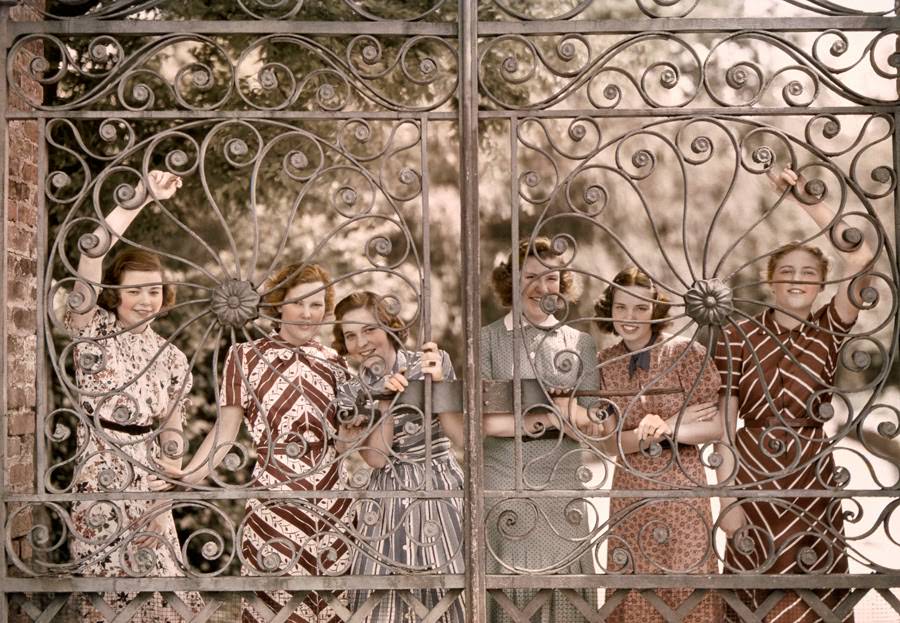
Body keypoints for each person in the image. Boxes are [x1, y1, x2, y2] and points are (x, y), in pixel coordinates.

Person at [715, 167, 874, 622]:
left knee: (814, 590)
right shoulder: (737, 335)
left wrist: (806, 198)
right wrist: (726, 502)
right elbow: (725, 427)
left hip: (811, 475)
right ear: (771, 281)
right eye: (786, 272)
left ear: (822, 283)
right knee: (754, 592)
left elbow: (862, 259)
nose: (797, 279)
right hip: (753, 474)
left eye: (808, 272)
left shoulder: (829, 329)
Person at [168, 263, 352, 623]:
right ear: (280, 303)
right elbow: (225, 431)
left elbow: (347, 441)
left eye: (317, 305)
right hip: (274, 507)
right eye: (299, 303)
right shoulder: (245, 357)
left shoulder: (336, 363)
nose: (308, 313)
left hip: (335, 507)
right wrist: (190, 474)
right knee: (277, 611)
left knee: (334, 611)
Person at [64, 170, 203, 621]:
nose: (146, 300)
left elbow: (173, 425)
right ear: (114, 295)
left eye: (154, 291)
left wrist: (171, 477)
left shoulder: (172, 355)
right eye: (135, 291)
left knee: (163, 591)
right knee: (107, 591)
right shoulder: (90, 330)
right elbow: (92, 250)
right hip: (100, 468)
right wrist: (138, 198)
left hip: (151, 474)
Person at [593, 266, 723, 622]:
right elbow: (609, 444)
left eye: (640, 308)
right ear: (609, 309)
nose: (629, 317)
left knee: (685, 580)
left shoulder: (685, 353)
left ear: (655, 310)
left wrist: (664, 428)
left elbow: (714, 425)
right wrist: (665, 428)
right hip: (631, 490)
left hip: (681, 486)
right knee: (635, 584)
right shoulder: (605, 362)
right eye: (621, 308)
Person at [480, 236, 599, 622]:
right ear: (510, 280)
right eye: (530, 276)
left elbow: (593, 423)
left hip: (562, 483)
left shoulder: (580, 343)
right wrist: (552, 419)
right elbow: (489, 423)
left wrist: (572, 417)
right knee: (511, 595)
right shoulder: (486, 341)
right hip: (504, 483)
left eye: (551, 278)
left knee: (564, 601)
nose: (541, 287)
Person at [333, 290, 464, 622]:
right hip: (387, 496)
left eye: (369, 329)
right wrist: (386, 403)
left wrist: (438, 389)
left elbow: (459, 435)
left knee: (447, 592)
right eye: (350, 335)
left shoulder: (432, 363)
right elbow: (376, 458)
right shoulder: (351, 389)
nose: (361, 342)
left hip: (440, 485)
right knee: (385, 599)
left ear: (389, 326)